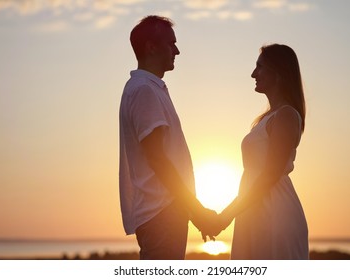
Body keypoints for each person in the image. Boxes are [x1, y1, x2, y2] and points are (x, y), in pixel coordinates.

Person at [119, 15, 216, 260]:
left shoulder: (150, 88)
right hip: (161, 214)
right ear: (151, 47)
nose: (177, 51)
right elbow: (158, 159)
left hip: (165, 213)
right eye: (171, 43)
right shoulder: (144, 90)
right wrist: (197, 211)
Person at [203, 44, 309, 259]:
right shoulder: (269, 118)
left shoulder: (287, 115)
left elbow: (269, 175)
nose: (253, 74)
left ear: (278, 73)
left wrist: (224, 217)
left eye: (259, 67)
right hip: (255, 212)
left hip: (275, 215)